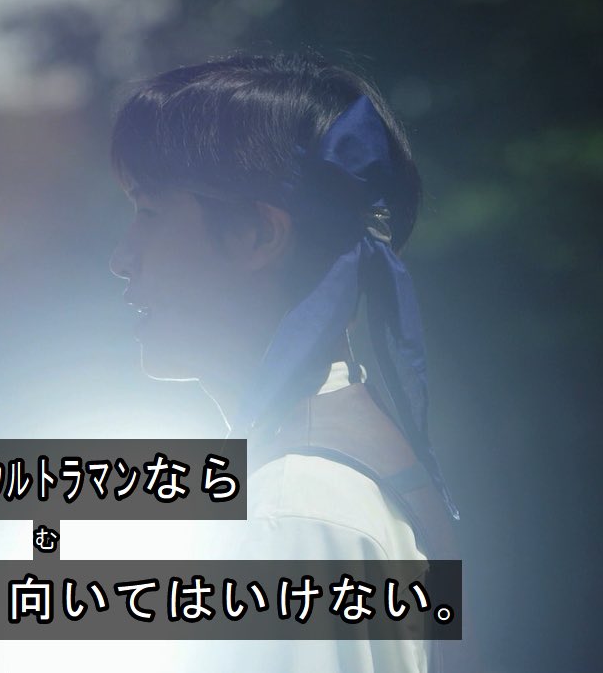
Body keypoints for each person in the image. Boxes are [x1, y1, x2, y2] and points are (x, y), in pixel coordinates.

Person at [106, 51, 470, 672]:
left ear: (258, 234)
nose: (122, 258)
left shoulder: (292, 509)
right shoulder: (327, 463)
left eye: (149, 212)